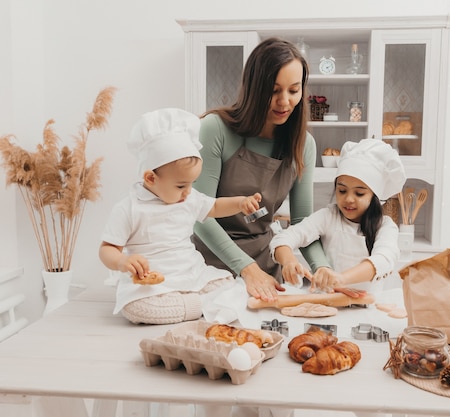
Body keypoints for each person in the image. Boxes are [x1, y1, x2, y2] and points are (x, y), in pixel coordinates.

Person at [191, 37, 330, 303]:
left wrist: (322, 268)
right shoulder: (215, 129)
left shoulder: (304, 145)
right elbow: (200, 216)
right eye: (274, 90)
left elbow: (303, 223)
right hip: (209, 265)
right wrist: (247, 270)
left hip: (264, 266)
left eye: (293, 90)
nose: (284, 102)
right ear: (254, 87)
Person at [99, 108, 263, 325]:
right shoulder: (129, 208)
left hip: (191, 272)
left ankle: (191, 303)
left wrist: (240, 203)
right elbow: (107, 249)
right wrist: (122, 261)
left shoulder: (188, 198)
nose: (188, 191)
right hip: (154, 285)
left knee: (230, 283)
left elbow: (214, 207)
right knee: (136, 309)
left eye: (191, 184)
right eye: (180, 185)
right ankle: (202, 305)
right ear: (150, 178)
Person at [270, 139, 407, 295]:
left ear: (375, 196)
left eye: (359, 193)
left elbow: (384, 259)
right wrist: (289, 261)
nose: (348, 199)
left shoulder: (385, 227)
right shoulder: (328, 216)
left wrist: (340, 278)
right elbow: (283, 238)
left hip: (366, 309)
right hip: (328, 305)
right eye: (342, 191)